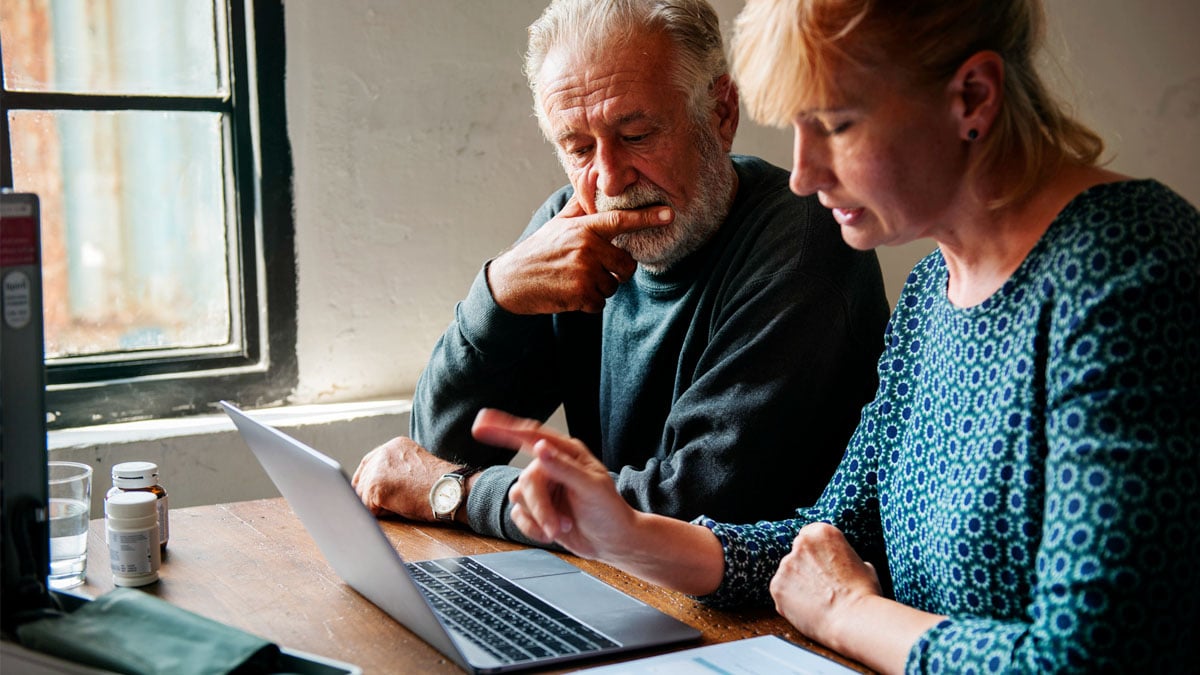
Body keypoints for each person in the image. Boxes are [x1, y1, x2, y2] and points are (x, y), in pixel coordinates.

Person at [475, 0, 1200, 671]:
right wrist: (623, 533)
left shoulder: (1129, 269)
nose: (802, 174)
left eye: (838, 124)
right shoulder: (934, 287)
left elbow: (1091, 657)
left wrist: (850, 613)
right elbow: (835, 533)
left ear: (973, 97)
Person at [350, 0, 890, 545]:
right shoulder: (573, 235)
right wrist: (497, 294)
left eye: (636, 136)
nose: (609, 179)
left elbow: (690, 511)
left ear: (721, 113)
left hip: (761, 594)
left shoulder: (805, 245)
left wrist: (459, 494)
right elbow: (440, 447)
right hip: (616, 578)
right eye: (579, 147)